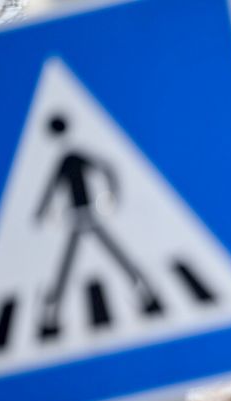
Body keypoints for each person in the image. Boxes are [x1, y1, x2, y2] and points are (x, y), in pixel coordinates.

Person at [34, 114, 162, 339]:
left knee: (89, 262)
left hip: (86, 216)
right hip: (78, 218)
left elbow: (106, 168)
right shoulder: (66, 159)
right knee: (77, 264)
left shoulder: (71, 158)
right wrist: (41, 211)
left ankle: (51, 317)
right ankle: (148, 296)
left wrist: (111, 195)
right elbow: (51, 188)